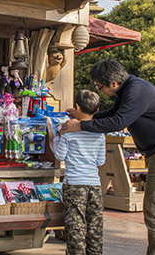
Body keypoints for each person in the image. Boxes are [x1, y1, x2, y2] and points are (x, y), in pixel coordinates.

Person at [59, 59, 155, 255]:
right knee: (154, 210)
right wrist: (83, 115)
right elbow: (112, 113)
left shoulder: (136, 91)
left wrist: (81, 125)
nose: (99, 91)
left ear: (114, 84)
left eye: (99, 87)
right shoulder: (128, 89)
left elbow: (118, 122)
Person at [52, 89, 106, 255]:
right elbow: (100, 161)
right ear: (96, 110)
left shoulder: (68, 133)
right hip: (94, 185)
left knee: (76, 227)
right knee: (94, 226)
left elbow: (60, 155)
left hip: (74, 184)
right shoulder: (100, 134)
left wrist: (57, 136)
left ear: (77, 107)